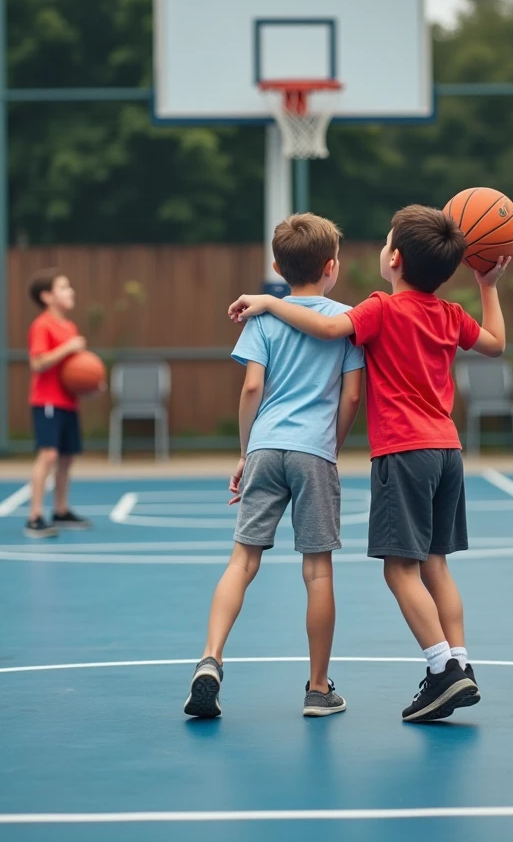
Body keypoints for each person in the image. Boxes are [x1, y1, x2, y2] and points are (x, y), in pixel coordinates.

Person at [227, 204, 511, 723]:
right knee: (436, 564)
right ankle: (461, 662)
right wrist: (487, 286)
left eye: (383, 244)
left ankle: (443, 668)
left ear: (395, 259)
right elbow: (495, 345)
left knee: (400, 571)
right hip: (448, 451)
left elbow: (325, 327)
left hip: (404, 451)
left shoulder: (382, 307)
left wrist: (270, 301)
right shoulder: (451, 314)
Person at [184, 214, 364, 720]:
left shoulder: (264, 318)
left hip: (265, 446)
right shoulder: (347, 319)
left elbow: (251, 389)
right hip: (314, 451)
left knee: (241, 562)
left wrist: (246, 451)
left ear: (276, 266)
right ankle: (318, 687)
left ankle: (210, 660)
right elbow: (352, 395)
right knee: (317, 571)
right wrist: (332, 443)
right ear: (331, 267)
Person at [26, 269, 94, 539]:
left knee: (66, 458)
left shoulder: (70, 327)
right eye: (64, 287)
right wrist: (68, 348)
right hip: (47, 402)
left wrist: (89, 385)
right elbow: (37, 362)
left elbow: (73, 372)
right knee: (49, 455)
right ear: (46, 296)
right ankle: (34, 516)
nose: (71, 292)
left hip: (68, 401)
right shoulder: (42, 325)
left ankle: (61, 510)